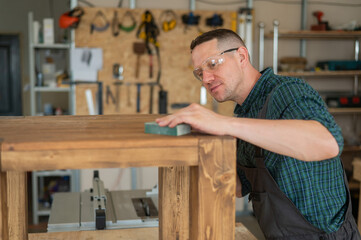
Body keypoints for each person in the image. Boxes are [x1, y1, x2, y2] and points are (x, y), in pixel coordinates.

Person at [156, 28, 360, 239]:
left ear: (242, 56)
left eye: (212, 64)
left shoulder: (287, 91)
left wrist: (223, 124)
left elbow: (328, 142)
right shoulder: (246, 115)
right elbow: (238, 187)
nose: (206, 78)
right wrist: (205, 142)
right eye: (200, 72)